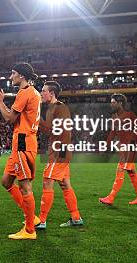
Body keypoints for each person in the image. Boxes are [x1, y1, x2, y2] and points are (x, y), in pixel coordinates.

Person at [0, 62, 41, 240]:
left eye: (13, 74)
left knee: (25, 186)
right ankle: (31, 217)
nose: (10, 77)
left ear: (22, 75)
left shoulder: (25, 92)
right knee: (6, 181)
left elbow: (10, 118)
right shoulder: (32, 91)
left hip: (23, 142)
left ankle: (29, 230)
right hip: (22, 141)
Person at [36, 81, 83, 229]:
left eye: (43, 91)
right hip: (60, 150)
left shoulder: (60, 108)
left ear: (52, 93)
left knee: (47, 180)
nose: (41, 93)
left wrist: (37, 119)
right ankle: (76, 218)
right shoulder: (52, 108)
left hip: (59, 152)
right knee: (65, 184)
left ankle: (41, 221)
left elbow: (56, 131)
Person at [99, 93, 137, 206]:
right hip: (123, 148)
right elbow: (112, 133)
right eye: (111, 103)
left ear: (120, 103)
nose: (111, 105)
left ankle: (111, 197)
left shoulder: (130, 115)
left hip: (131, 146)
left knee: (120, 170)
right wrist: (106, 146)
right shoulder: (114, 117)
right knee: (131, 172)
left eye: (113, 103)